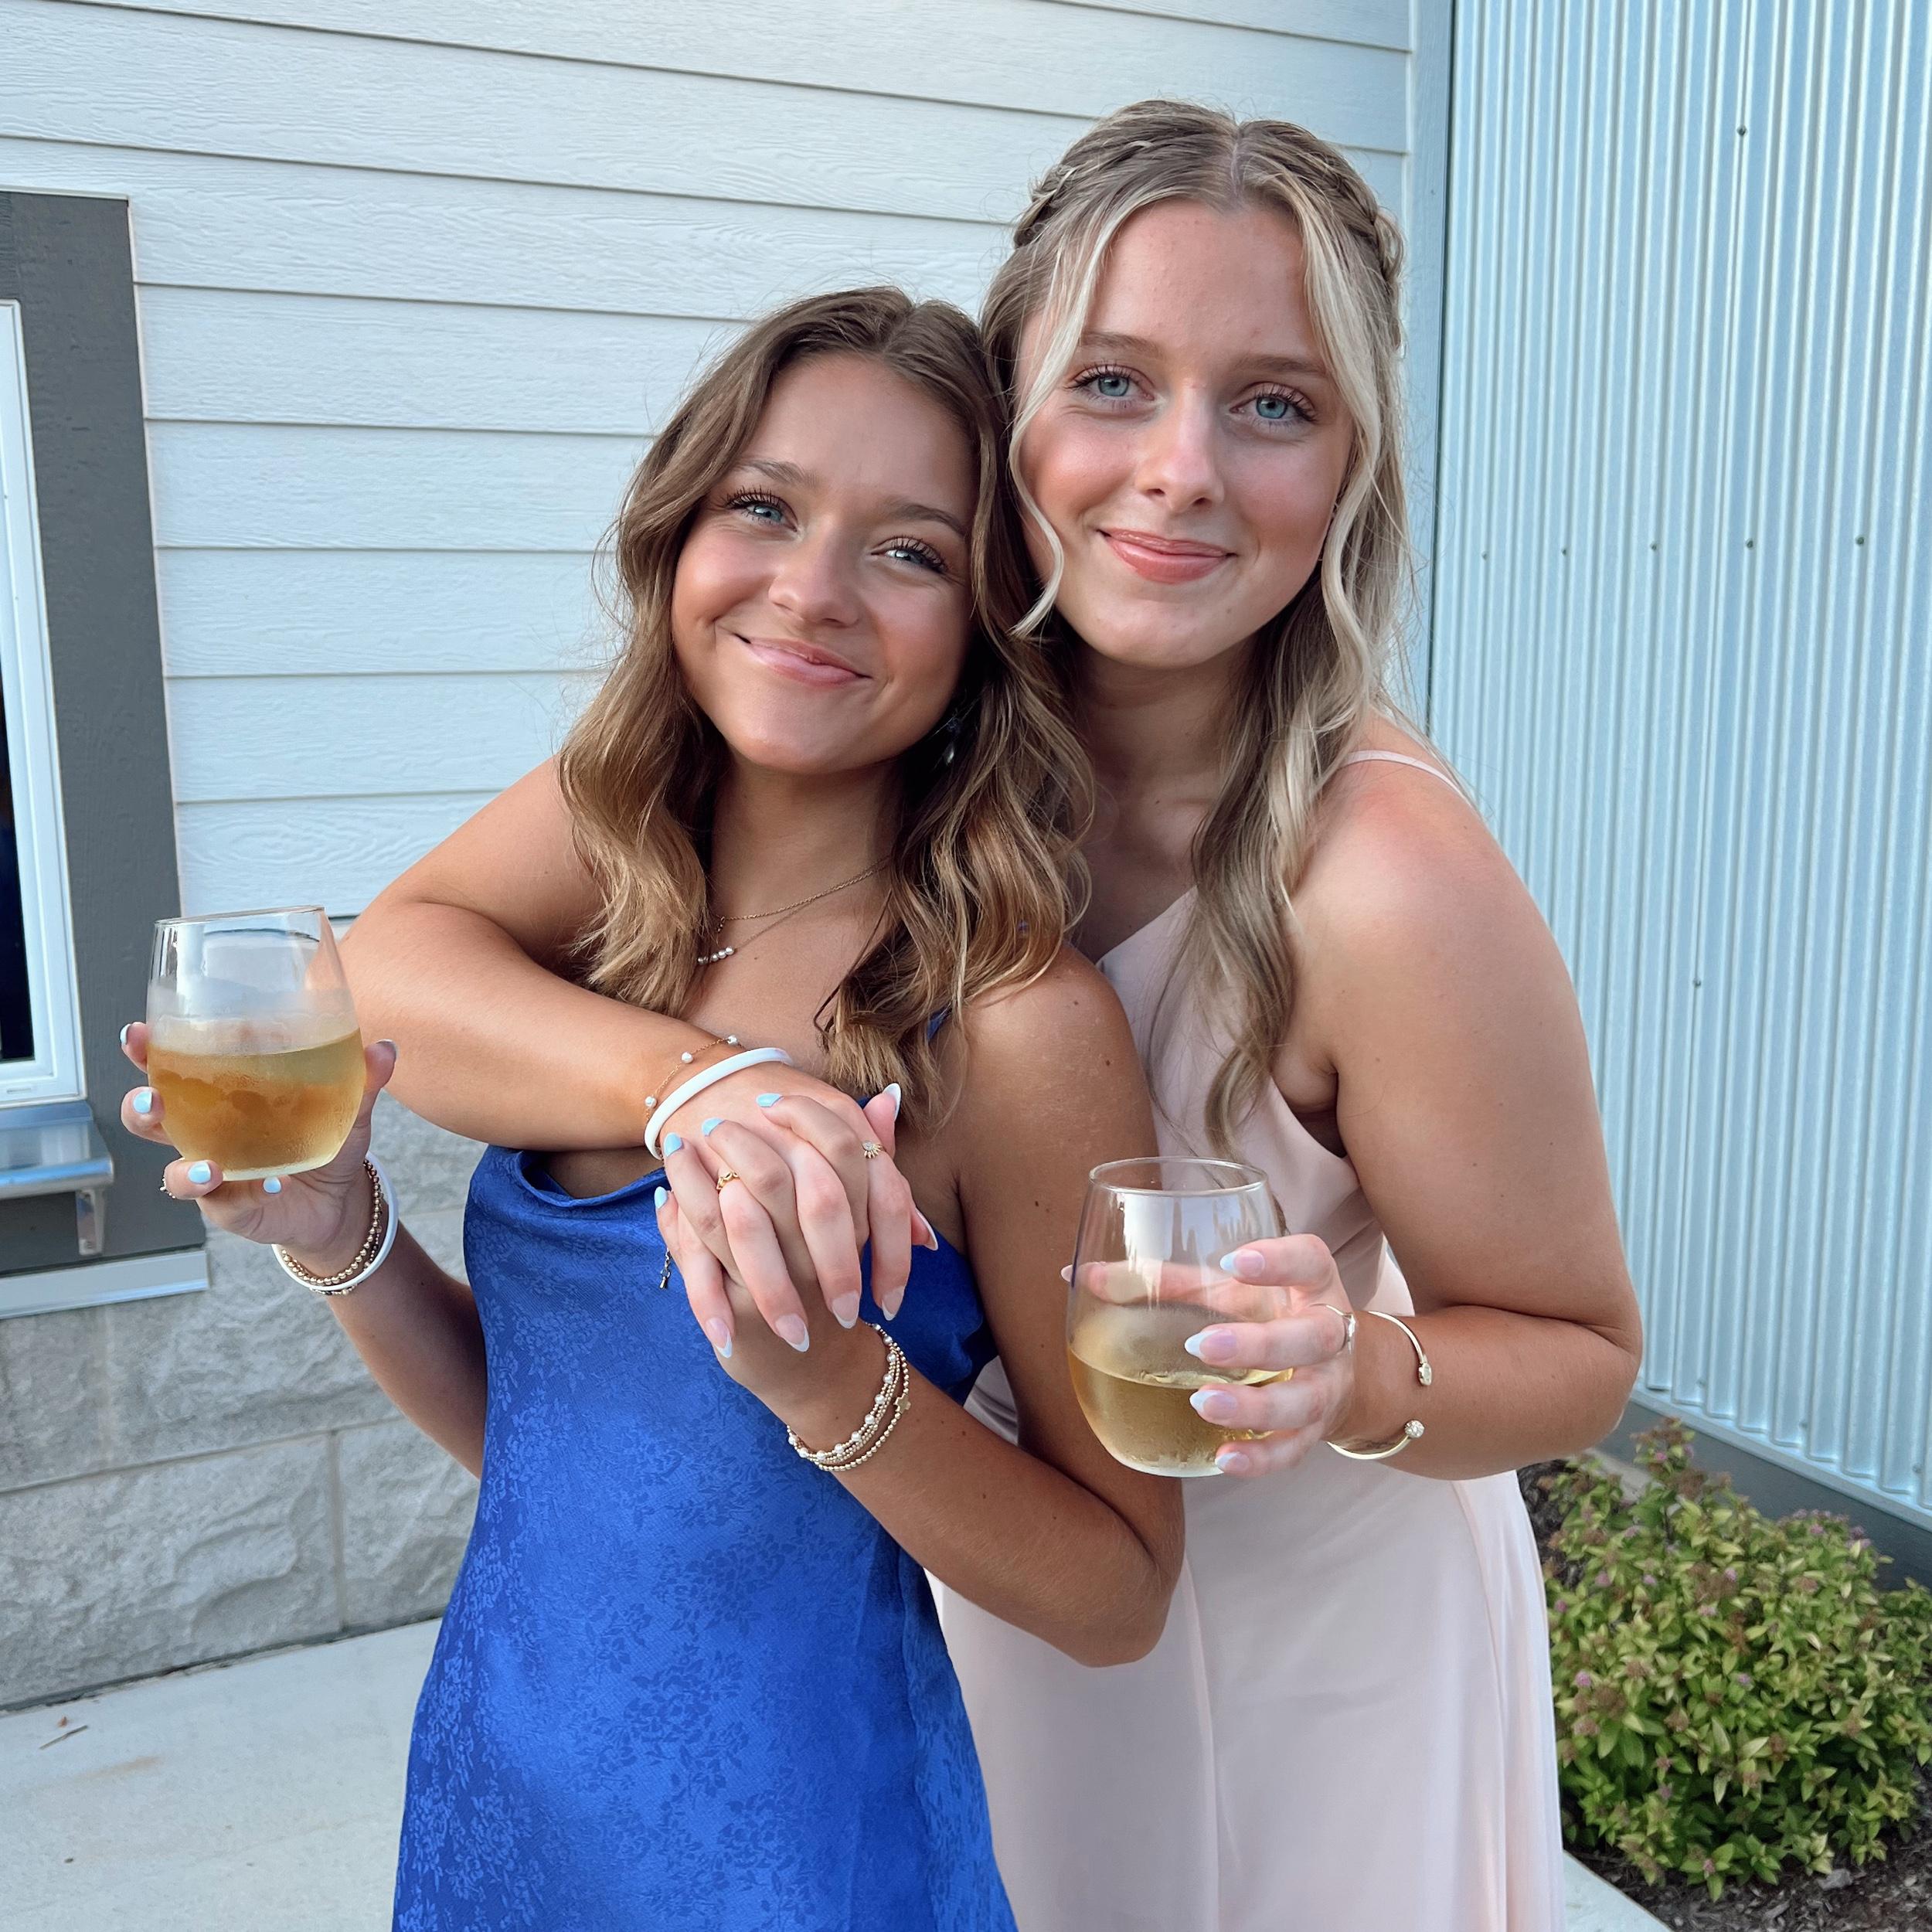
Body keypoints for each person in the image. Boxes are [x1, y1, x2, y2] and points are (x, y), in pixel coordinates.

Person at [343, 105, 1645, 1932]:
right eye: (1111, 382)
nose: (1177, 470)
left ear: (1351, 463)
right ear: (1004, 403)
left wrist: (1351, 1368)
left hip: (1296, 1666)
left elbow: (1580, 1345)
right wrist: (704, 1088)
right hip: (957, 1589)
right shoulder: (857, 729)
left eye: (1273, 404)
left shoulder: (1380, 881)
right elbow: (392, 964)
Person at [118, 287, 1180, 1932]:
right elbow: (555, 1447)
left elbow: (1119, 1592)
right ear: (677, 532)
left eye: (908, 551)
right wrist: (350, 1236)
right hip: (502, 1802)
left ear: (985, 621)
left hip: (794, 1858)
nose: (810, 589)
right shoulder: (611, 879)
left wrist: (833, 1389)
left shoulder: (1014, 1021)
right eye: (763, 506)